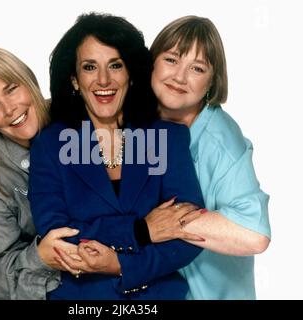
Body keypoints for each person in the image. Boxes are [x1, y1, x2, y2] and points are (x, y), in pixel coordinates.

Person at [28, 12, 205, 300]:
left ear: (131, 75)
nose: (103, 80)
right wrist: (140, 230)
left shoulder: (168, 137)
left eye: (115, 65)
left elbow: (189, 233)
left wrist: (121, 264)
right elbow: (58, 235)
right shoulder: (50, 145)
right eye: (89, 67)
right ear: (74, 80)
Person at [149, 15, 271, 299]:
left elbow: (254, 234)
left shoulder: (221, 141)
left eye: (197, 68)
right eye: (171, 60)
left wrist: (167, 223)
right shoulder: (139, 119)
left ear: (212, 80)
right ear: (151, 62)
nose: (179, 76)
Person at [0, 47, 83, 299]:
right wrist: (41, 257)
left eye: (11, 89)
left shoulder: (75, 118)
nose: (9, 109)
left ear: (29, 81)